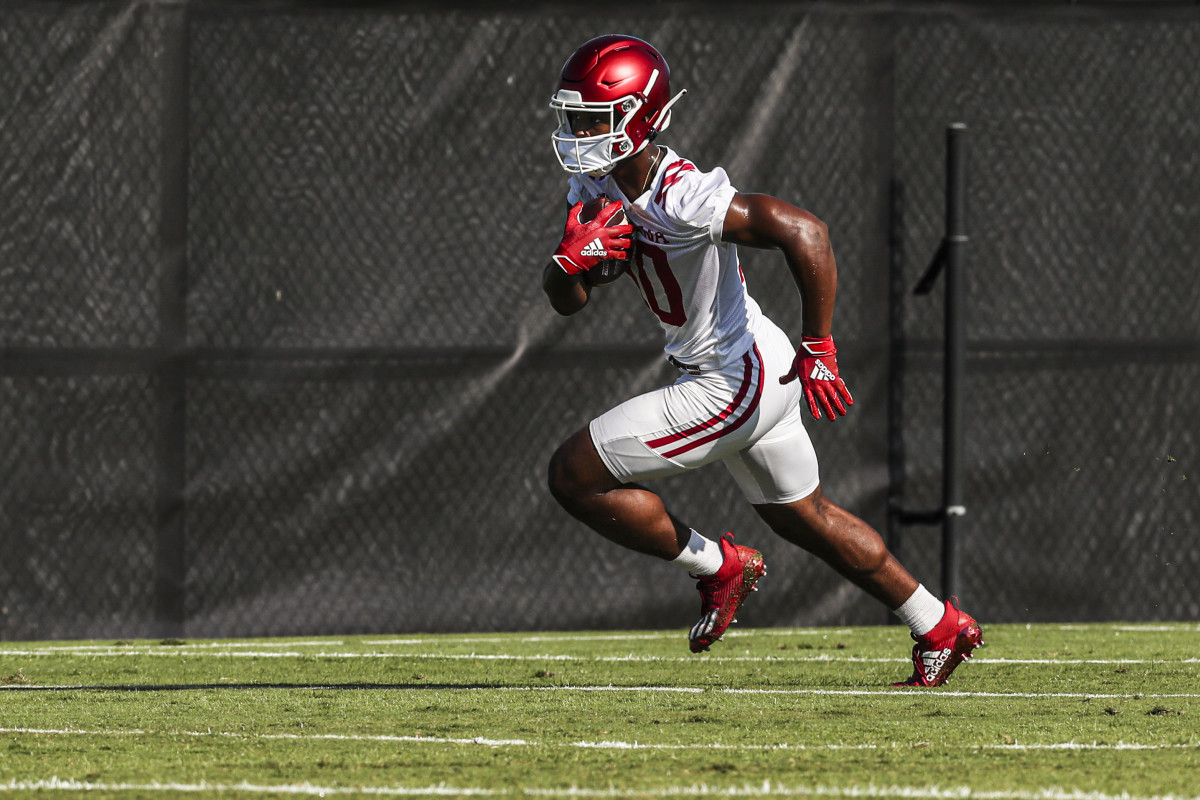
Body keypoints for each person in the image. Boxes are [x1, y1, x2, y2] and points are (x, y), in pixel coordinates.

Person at [540, 34, 982, 687]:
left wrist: (822, 347)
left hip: (733, 379)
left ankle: (717, 567)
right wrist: (566, 265)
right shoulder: (596, 183)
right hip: (747, 362)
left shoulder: (682, 196)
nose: (579, 133)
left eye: (594, 119)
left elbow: (806, 232)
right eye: (574, 118)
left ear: (639, 116)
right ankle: (939, 624)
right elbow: (570, 298)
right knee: (809, 518)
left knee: (573, 475)